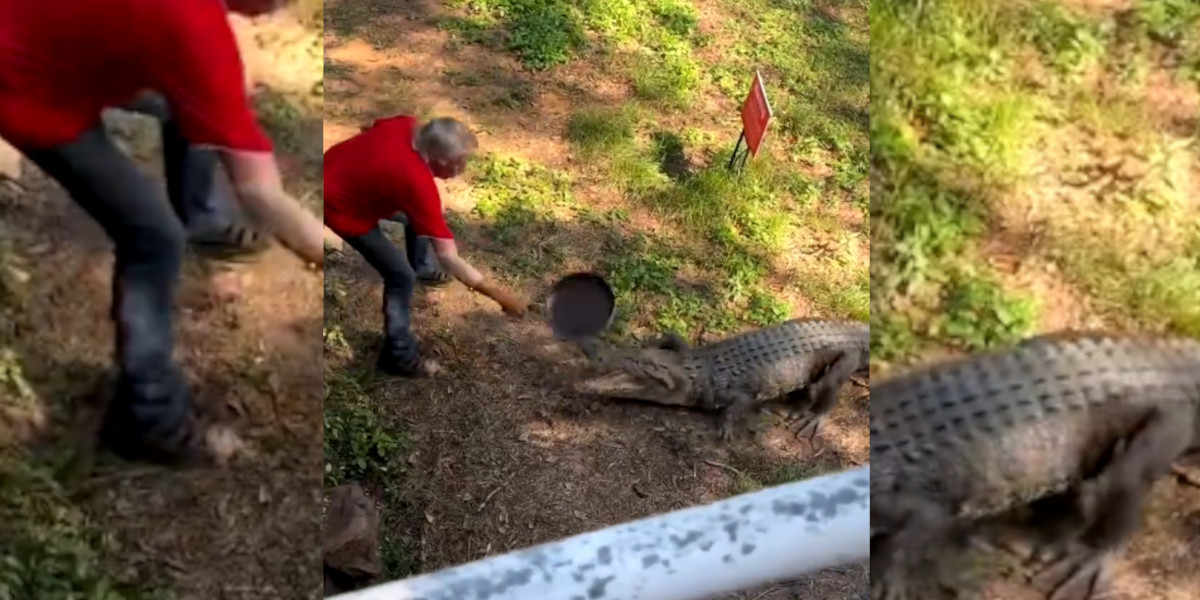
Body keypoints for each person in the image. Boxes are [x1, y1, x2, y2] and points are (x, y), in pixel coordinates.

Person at [0, 0, 326, 465]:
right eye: (276, 3)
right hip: (25, 83)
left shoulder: (198, 31)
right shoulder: (197, 36)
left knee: (187, 106)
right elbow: (260, 192)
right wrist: (335, 253)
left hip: (40, 33)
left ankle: (200, 217)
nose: (275, 13)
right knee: (152, 237)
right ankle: (148, 416)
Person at [324, 115, 527, 376]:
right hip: (338, 204)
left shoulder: (406, 124)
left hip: (335, 169)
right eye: (458, 162)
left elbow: (370, 126)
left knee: (416, 219)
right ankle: (399, 356)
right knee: (400, 276)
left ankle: (421, 267)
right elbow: (449, 257)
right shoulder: (417, 184)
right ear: (437, 159)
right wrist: (498, 295)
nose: (462, 168)